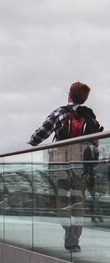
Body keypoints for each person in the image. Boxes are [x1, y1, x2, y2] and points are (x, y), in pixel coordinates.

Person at [28, 81, 103, 252]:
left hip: (60, 163)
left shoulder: (60, 112)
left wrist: (31, 142)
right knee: (79, 201)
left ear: (69, 94)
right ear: (84, 98)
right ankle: (74, 240)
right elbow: (95, 140)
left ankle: (67, 227)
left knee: (59, 198)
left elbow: (38, 136)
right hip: (82, 165)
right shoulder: (89, 115)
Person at [83, 140, 103, 223]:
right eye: (97, 140)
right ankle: (95, 216)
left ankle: (95, 216)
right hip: (89, 176)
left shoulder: (94, 150)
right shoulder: (87, 149)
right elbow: (86, 163)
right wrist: (87, 174)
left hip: (93, 176)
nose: (98, 142)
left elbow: (95, 163)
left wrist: (97, 153)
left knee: (94, 197)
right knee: (94, 197)